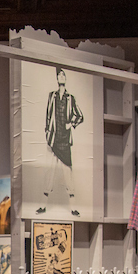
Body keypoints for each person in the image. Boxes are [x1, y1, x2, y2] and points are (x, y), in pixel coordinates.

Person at [41, 67, 83, 216]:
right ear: (57, 78)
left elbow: (80, 116)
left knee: (68, 175)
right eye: (59, 75)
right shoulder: (52, 96)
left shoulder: (70, 98)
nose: (61, 77)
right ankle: (43, 206)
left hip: (65, 140)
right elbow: (48, 116)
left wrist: (70, 124)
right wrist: (48, 134)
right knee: (49, 173)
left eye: (63, 75)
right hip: (54, 140)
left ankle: (73, 208)